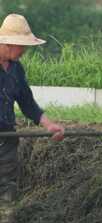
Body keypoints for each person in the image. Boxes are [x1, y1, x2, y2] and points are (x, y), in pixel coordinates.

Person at [0, 14, 64, 203]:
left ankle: (6, 219)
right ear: (8, 43)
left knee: (7, 186)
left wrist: (48, 125)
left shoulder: (16, 69)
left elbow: (27, 102)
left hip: (6, 137)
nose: (24, 51)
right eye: (22, 46)